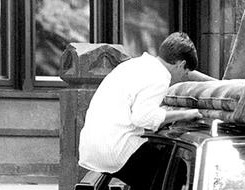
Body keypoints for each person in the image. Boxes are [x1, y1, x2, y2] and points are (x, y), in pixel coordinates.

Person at [78, 32, 213, 179]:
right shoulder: (159, 77)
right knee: (178, 170)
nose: (184, 78)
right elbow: (143, 118)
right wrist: (186, 114)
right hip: (117, 151)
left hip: (92, 149)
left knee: (155, 164)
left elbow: (189, 73)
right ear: (181, 65)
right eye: (185, 73)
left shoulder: (136, 65)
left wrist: (218, 83)